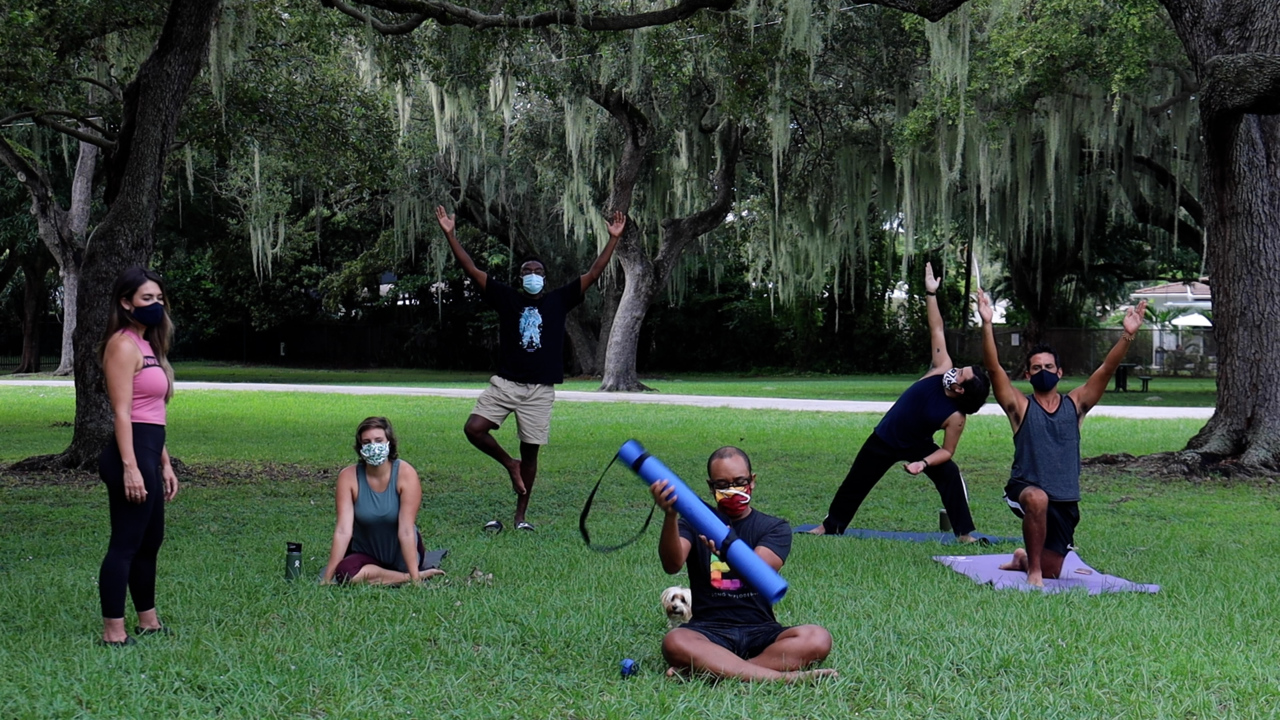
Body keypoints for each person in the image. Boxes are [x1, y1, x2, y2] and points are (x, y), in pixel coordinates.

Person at [435, 205, 625, 531]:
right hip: (506, 383)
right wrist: (451, 234)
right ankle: (510, 463)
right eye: (527, 271)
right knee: (474, 428)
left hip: (540, 389)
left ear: (545, 277)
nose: (533, 275)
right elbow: (470, 268)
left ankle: (520, 516)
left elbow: (594, 272)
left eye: (537, 270)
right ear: (521, 278)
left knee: (532, 452)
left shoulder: (558, 300)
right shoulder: (506, 298)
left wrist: (613, 240)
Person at [977, 288, 1147, 586]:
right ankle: (1033, 574)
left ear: (1060, 372)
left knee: (1054, 568)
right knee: (1037, 498)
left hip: (1066, 499)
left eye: (1049, 367)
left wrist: (1128, 335)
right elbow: (994, 370)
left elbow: (1107, 370)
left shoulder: (1076, 405)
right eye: (1036, 368)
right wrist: (987, 324)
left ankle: (1025, 560)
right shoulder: (1020, 407)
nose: (1043, 371)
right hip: (1026, 488)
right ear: (1028, 376)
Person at [809, 262, 991, 540]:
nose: (955, 369)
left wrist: (924, 463)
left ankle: (965, 533)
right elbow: (937, 330)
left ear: (961, 390)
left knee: (950, 474)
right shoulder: (942, 366)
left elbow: (947, 451)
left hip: (918, 446)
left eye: (961, 374)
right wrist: (931, 294)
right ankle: (831, 526)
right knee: (856, 481)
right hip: (885, 437)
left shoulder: (956, 416)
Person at [651, 446, 836, 682]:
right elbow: (671, 564)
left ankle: (715, 669)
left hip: (760, 630)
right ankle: (780, 678)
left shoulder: (773, 527)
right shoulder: (694, 522)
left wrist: (728, 549)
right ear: (711, 487)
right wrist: (670, 516)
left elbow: (761, 571)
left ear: (753, 481)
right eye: (722, 484)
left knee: (818, 638)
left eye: (740, 482)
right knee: (674, 642)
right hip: (708, 630)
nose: (732, 490)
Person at [97, 267, 179, 646]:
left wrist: (164, 462)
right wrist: (131, 468)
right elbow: (123, 413)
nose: (156, 305)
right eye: (147, 299)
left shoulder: (149, 345)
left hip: (149, 450)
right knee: (126, 543)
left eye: (159, 299)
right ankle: (113, 631)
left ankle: (150, 622)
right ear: (126, 302)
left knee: (151, 541)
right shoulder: (122, 344)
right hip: (129, 455)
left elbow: (153, 414)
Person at [321, 417, 444, 585]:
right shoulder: (348, 477)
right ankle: (403, 579)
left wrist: (415, 577)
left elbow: (406, 529)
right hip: (366, 553)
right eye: (367, 442)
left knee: (406, 564)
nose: (373, 446)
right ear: (360, 447)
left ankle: (408, 575)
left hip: (400, 552)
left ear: (389, 442)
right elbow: (343, 530)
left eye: (378, 440)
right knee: (345, 573)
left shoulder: (405, 473)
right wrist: (327, 578)